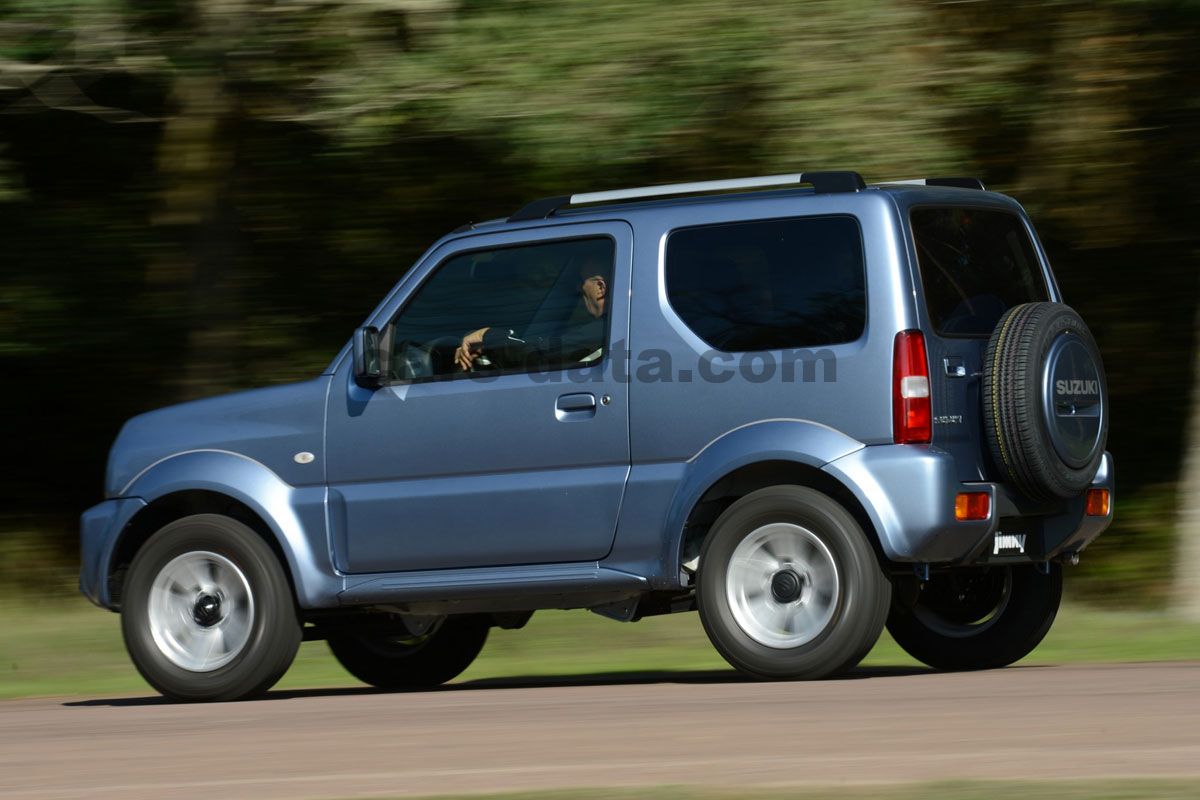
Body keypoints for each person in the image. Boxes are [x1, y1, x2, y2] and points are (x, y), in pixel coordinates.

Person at [454, 259, 608, 372]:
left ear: (600, 288)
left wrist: (486, 335)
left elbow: (537, 356)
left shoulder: (603, 331)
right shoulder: (614, 328)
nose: (577, 288)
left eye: (581, 281)